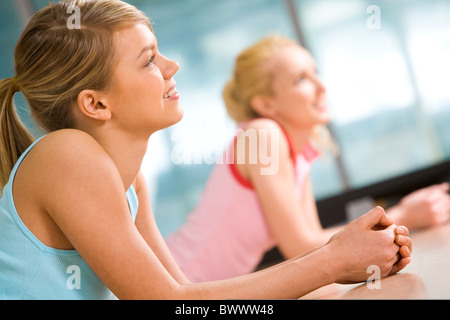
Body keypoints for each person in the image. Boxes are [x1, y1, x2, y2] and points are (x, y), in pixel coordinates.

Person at [0, 0, 411, 300]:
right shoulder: (64, 153)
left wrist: (344, 260)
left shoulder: (127, 179)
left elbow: (186, 297)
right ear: (96, 104)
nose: (171, 66)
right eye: (148, 61)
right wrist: (332, 263)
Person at [166, 35, 448, 283]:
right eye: (301, 79)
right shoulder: (261, 134)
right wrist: (405, 215)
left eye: (315, 72)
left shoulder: (299, 148)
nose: (321, 86)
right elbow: (299, 246)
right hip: (177, 278)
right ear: (265, 104)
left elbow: (313, 242)